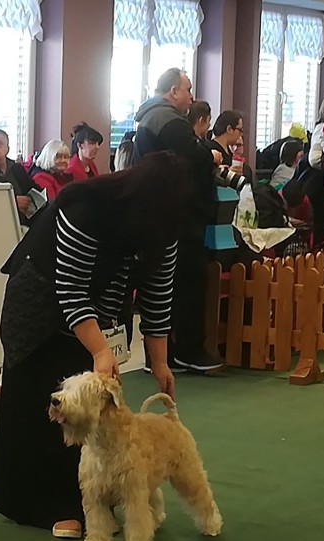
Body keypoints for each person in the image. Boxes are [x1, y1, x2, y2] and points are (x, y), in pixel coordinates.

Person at [0, 151, 194, 538]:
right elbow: (70, 288)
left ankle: (91, 501)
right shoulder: (84, 209)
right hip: (40, 305)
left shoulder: (163, 229)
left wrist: (161, 363)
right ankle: (45, 506)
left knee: (90, 415)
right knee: (48, 403)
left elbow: (158, 296)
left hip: (94, 309)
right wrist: (99, 350)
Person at [134, 67, 223, 372]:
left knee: (162, 284)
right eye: (188, 90)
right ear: (173, 91)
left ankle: (161, 355)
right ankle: (187, 350)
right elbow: (193, 156)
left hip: (160, 211)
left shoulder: (151, 116)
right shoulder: (168, 120)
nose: (191, 96)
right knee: (186, 281)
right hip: (177, 214)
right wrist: (210, 155)